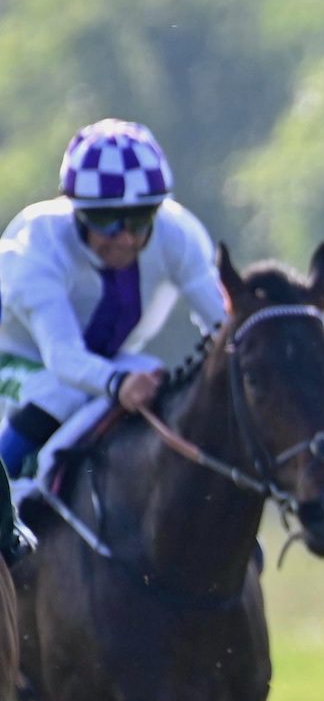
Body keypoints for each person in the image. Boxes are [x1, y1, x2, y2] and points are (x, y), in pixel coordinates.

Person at [0, 119, 227, 561]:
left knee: (159, 380)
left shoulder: (178, 234)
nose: (124, 237)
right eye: (105, 220)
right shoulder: (36, 247)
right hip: (18, 358)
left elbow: (224, 325)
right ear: (76, 213)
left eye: (140, 219)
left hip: (103, 360)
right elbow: (63, 358)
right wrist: (117, 384)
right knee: (61, 387)